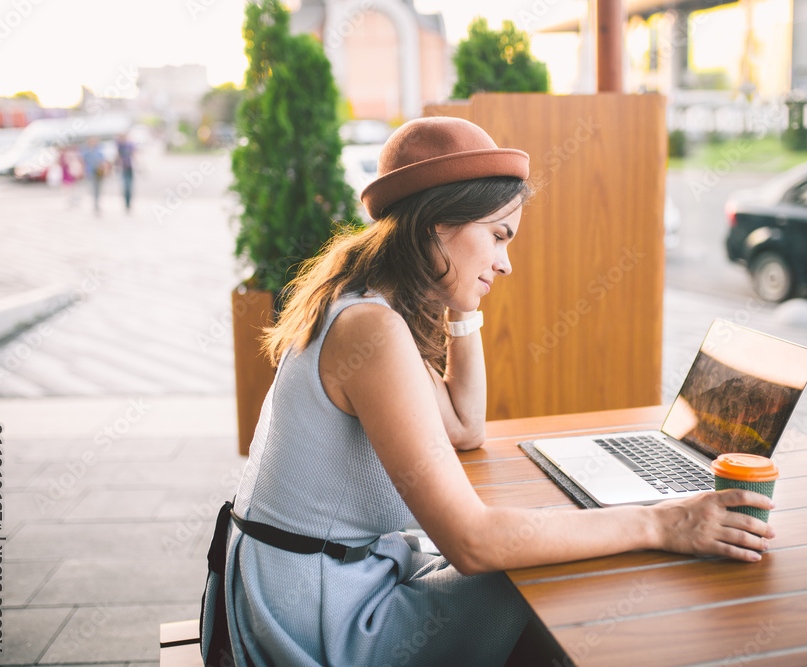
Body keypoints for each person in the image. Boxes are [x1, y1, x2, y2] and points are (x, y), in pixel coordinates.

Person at [220, 117, 775, 665]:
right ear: (435, 224)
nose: (506, 263)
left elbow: (464, 427)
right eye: (498, 236)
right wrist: (664, 521)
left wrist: (462, 305)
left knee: (551, 545)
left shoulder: (364, 305)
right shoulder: (370, 329)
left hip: (313, 585)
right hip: (322, 620)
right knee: (549, 572)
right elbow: (472, 542)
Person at [79, 137, 107, 214]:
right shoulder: (86, 151)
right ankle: (95, 202)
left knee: (98, 188)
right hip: (91, 172)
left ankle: (97, 202)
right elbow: (82, 160)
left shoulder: (99, 150)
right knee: (93, 187)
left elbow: (103, 161)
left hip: (99, 172)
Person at [115, 133, 135, 211]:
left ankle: (128, 203)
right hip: (122, 168)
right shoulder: (119, 146)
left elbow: (134, 155)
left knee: (129, 187)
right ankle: (126, 203)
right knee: (125, 187)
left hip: (130, 168)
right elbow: (117, 156)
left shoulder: (130, 145)